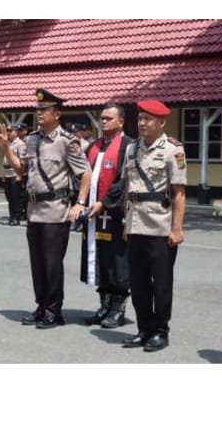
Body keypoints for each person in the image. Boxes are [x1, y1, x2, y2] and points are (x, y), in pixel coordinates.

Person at [0, 89, 92, 329]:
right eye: (37, 109)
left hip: (55, 210)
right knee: (37, 263)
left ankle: (54, 311)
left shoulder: (67, 141)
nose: (39, 113)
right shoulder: (32, 139)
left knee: (52, 263)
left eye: (44, 110)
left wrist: (80, 203)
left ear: (57, 114)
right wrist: (6, 148)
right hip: (34, 210)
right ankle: (41, 305)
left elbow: (85, 173)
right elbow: (22, 170)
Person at [120, 100, 186, 352]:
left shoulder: (173, 150)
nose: (142, 123)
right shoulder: (131, 149)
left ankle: (160, 331)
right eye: (140, 119)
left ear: (162, 122)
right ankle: (143, 329)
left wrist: (177, 229)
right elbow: (129, 188)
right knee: (138, 283)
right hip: (135, 223)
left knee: (161, 284)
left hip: (160, 225)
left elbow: (179, 194)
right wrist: (126, 222)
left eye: (148, 119)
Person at [80, 103, 133, 328]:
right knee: (99, 258)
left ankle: (118, 309)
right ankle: (104, 305)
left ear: (121, 121)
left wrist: (103, 203)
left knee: (117, 261)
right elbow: (84, 175)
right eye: (102, 118)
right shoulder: (93, 146)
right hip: (93, 214)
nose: (103, 121)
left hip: (115, 214)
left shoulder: (128, 146)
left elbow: (123, 180)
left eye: (109, 118)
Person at [3, 123, 27, 225]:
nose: (8, 133)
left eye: (10, 131)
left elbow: (22, 160)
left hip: (15, 173)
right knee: (9, 197)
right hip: (7, 172)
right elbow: (5, 159)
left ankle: (16, 217)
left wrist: (19, 174)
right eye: (7, 131)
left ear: (16, 132)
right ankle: (11, 216)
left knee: (16, 197)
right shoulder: (7, 143)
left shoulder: (20, 144)